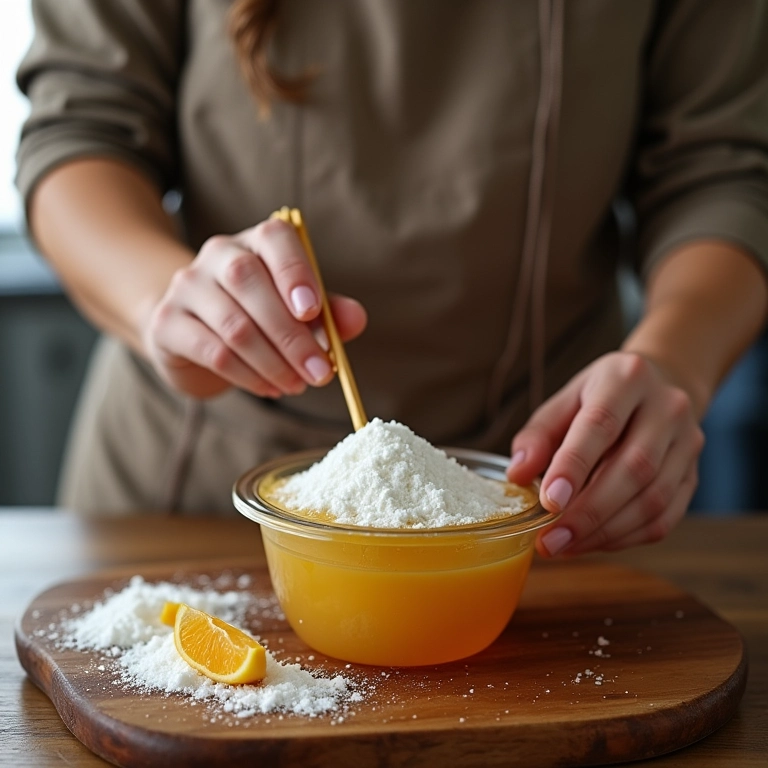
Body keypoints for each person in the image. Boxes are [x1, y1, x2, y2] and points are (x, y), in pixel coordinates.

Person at [15, 0, 768, 558]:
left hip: (551, 500)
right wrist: (164, 301)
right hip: (190, 498)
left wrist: (675, 362)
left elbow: (724, 170)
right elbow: (82, 129)